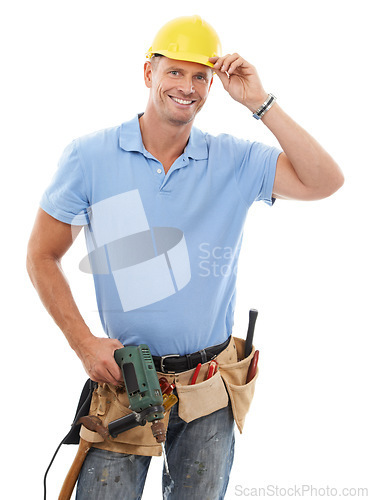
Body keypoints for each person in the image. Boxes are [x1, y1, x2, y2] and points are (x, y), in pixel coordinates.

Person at [27, 15, 344, 500]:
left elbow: (326, 181)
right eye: (175, 71)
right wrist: (84, 344)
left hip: (208, 388)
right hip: (127, 384)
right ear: (148, 73)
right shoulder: (89, 157)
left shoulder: (234, 161)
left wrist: (260, 103)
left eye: (201, 75)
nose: (188, 86)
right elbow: (42, 255)